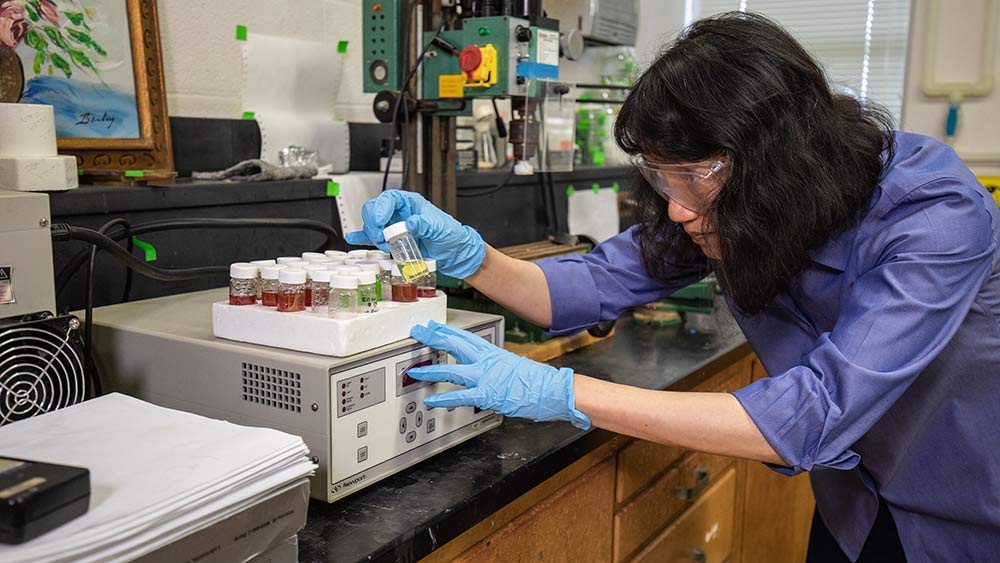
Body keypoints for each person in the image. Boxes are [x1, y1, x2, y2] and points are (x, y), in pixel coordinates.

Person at [345, 13, 1000, 563]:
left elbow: (811, 414)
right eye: (663, 175)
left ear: (781, 158)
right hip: (852, 509)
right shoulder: (722, 204)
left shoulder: (934, 213)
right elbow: (590, 284)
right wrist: (471, 255)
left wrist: (560, 390)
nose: (679, 208)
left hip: (959, 516)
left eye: (693, 174)